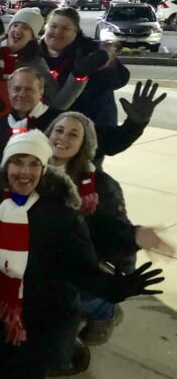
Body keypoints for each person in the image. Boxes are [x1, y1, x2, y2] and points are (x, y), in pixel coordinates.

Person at [0, 129, 164, 379]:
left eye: (33, 164)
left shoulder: (61, 216)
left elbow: (83, 271)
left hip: (40, 315)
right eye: (17, 162)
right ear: (6, 167)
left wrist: (118, 288)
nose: (25, 172)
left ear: (43, 170)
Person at [43, 112, 172, 354]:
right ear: (48, 134)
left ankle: (102, 313)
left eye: (74, 134)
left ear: (84, 144)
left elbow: (109, 231)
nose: (63, 138)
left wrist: (134, 237)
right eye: (58, 130)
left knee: (82, 303)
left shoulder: (99, 185)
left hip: (78, 266)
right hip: (39, 261)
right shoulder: (26, 169)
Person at [0, 68, 159, 166]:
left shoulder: (64, 121)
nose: (22, 94)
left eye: (29, 89)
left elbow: (110, 143)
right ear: (8, 91)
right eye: (16, 89)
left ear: (41, 92)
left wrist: (135, 124)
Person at [0, 7, 85, 121]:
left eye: (25, 28)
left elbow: (56, 101)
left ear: (32, 37)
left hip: (17, 123)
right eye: (15, 25)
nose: (18, 30)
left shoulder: (36, 63)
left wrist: (78, 77)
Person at [41, 7, 130, 126]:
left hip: (92, 124)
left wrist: (108, 65)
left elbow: (120, 79)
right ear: (46, 27)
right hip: (51, 126)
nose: (57, 32)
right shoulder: (34, 52)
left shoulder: (91, 51)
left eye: (65, 28)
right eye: (53, 26)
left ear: (76, 32)